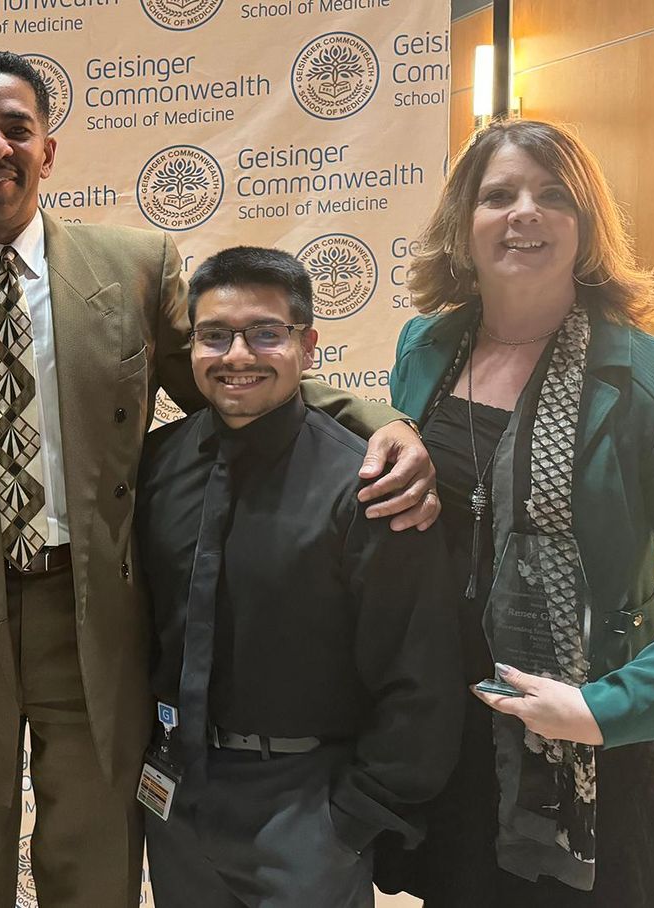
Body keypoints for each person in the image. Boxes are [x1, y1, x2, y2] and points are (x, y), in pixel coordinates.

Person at [0, 49, 440, 905]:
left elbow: (232, 379)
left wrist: (375, 419)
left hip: (97, 612)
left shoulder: (132, 268)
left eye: (16, 128)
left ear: (47, 150)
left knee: (95, 853)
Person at [375, 118, 654, 906]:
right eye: (499, 195)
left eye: (553, 196)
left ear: (586, 226)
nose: (524, 212)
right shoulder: (426, 347)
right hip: (446, 725)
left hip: (583, 744)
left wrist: (603, 709)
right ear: (464, 223)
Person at [136, 246, 463, 908]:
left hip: (308, 811)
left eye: (265, 333)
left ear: (307, 346)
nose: (237, 355)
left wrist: (353, 819)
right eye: (215, 335)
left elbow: (420, 673)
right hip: (176, 799)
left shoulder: (369, 484)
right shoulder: (154, 469)